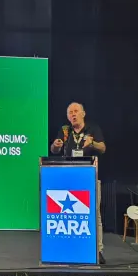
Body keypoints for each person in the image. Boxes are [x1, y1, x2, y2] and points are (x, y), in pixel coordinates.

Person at [50, 102, 107, 264]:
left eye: (76, 111)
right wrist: (55, 145)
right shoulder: (65, 130)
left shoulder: (92, 128)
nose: (73, 114)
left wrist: (92, 143)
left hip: (89, 176)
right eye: (70, 113)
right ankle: (69, 249)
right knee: (68, 214)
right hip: (68, 177)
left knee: (94, 214)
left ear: (83, 113)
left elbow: (103, 148)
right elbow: (55, 150)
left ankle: (97, 250)